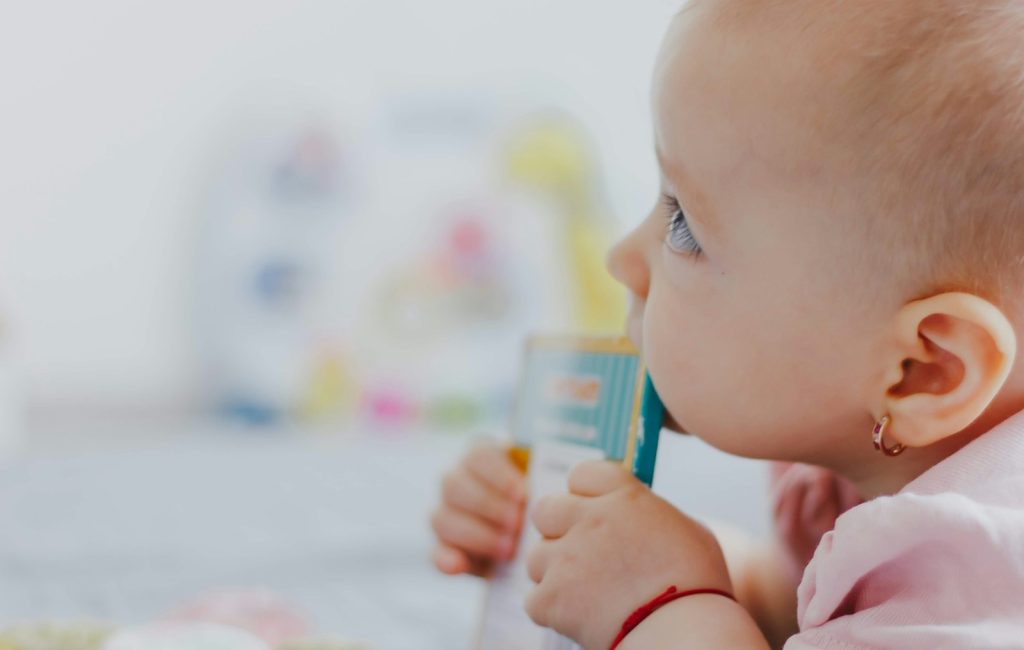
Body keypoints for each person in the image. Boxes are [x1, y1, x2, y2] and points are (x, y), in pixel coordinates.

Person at [431, 0, 1024, 647]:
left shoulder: (982, 567)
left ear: (922, 371)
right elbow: (803, 608)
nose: (622, 257)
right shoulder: (885, 470)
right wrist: (614, 553)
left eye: (684, 223)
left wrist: (657, 608)